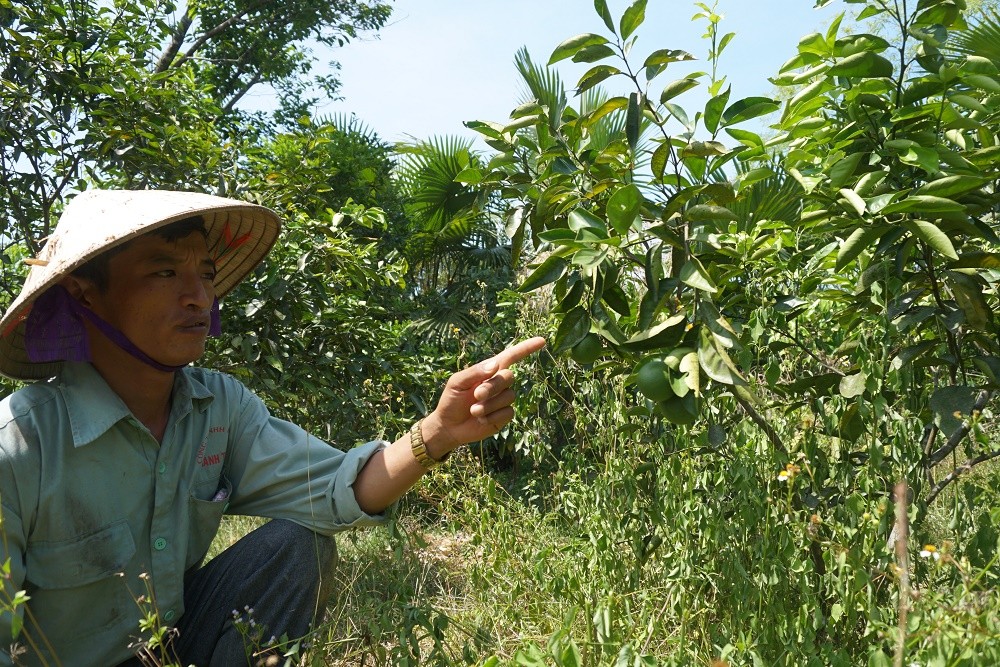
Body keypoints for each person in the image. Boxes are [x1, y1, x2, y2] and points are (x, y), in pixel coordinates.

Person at [0, 190, 546, 666]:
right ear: (83, 294)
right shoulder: (21, 445)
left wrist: (440, 431)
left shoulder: (218, 408)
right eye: (164, 272)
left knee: (295, 547)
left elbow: (335, 489)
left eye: (206, 275)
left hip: (174, 650)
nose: (198, 296)